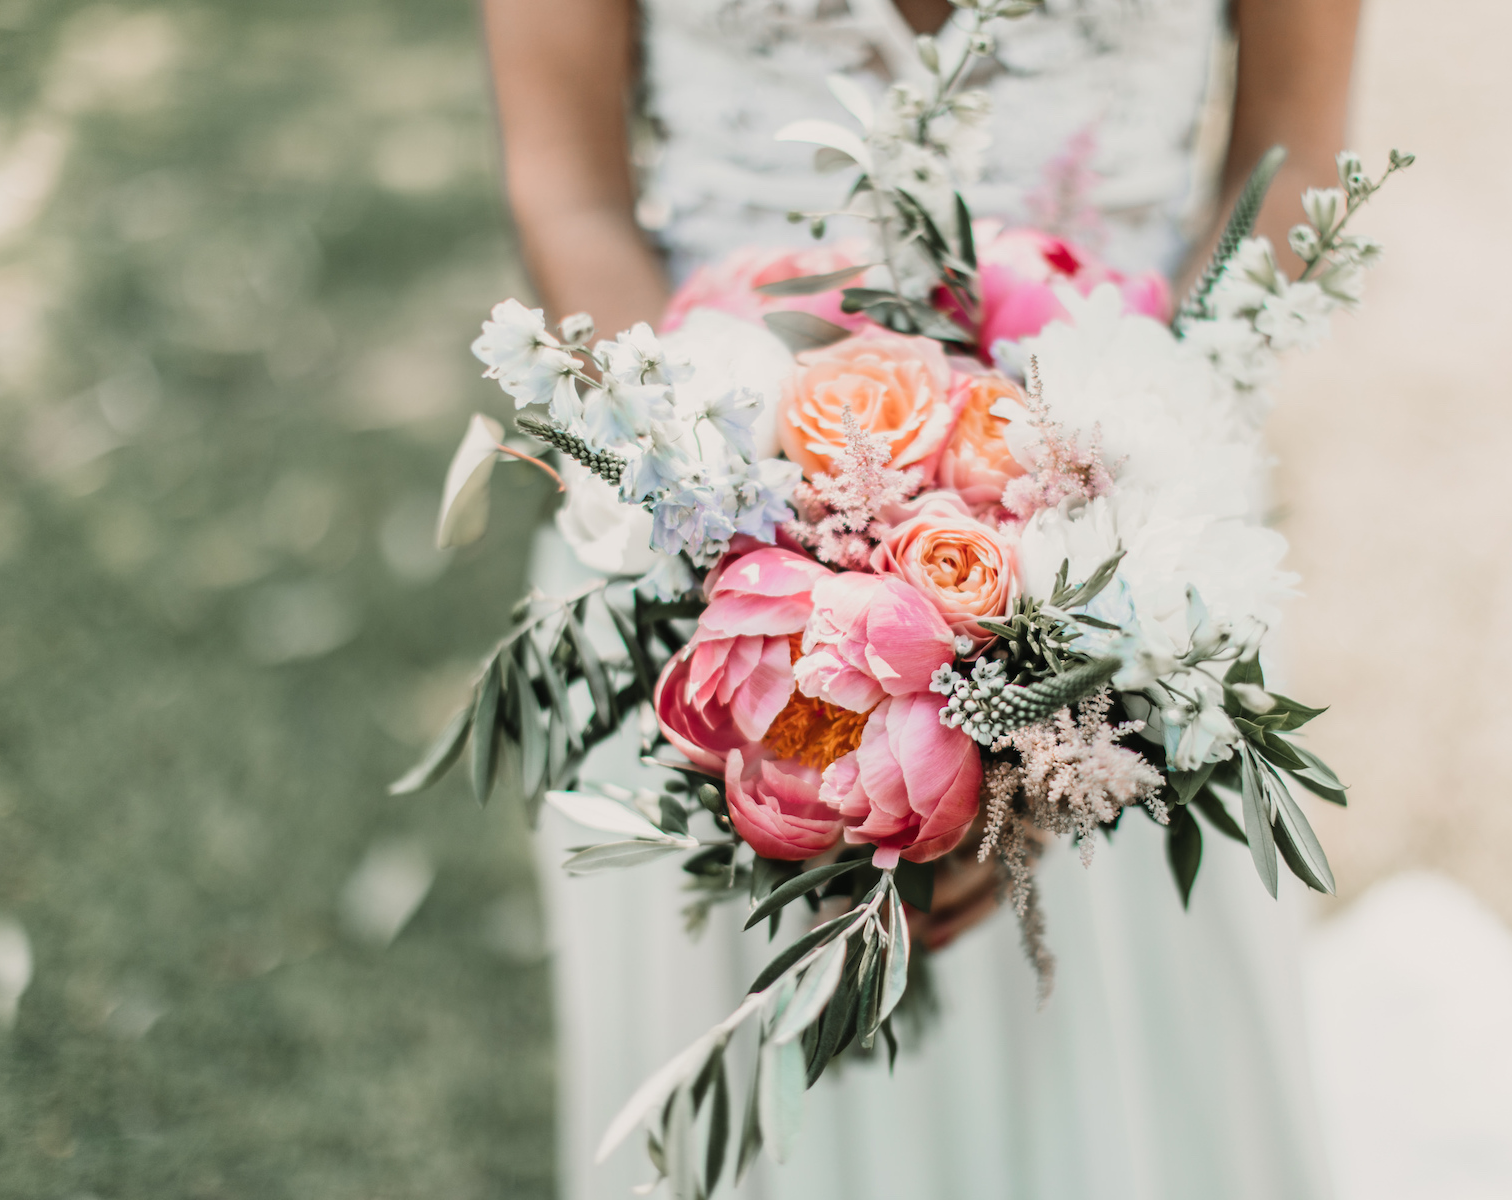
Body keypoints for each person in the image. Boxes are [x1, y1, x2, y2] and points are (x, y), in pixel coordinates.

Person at [482, 0, 1361, 1195]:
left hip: (1140, 563)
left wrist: (1072, 629)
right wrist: (748, 565)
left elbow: (1291, 159)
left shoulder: (1137, 565)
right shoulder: (711, 572)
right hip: (708, 574)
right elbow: (571, 190)